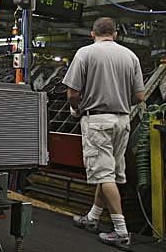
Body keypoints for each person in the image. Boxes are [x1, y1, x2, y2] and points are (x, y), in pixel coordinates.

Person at [62, 17, 144, 248]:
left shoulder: (85, 54)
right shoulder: (131, 56)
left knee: (104, 174)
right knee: (108, 171)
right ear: (115, 34)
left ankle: (121, 231)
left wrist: (77, 109)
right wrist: (118, 101)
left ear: (92, 33)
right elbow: (139, 97)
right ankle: (93, 217)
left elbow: (72, 94)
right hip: (123, 121)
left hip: (97, 120)